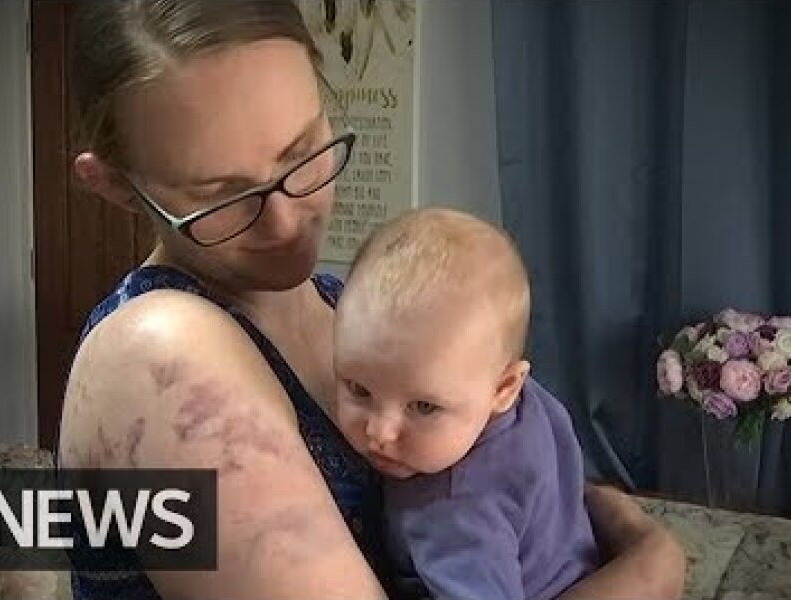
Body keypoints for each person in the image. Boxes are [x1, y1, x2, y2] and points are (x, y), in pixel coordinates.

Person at [57, 1, 687, 599]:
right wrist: (652, 568)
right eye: (220, 194)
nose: (283, 222)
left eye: (301, 152)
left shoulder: (343, 308)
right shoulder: (160, 353)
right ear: (111, 184)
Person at [333, 208, 597, 600]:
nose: (379, 432)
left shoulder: (453, 513)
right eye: (358, 389)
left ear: (505, 387)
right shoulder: (527, 400)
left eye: (423, 407)